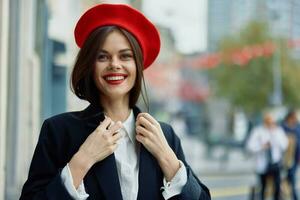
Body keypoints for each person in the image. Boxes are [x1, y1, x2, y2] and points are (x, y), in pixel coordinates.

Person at [19, 3, 210, 200]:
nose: (115, 65)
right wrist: (83, 160)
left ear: (137, 65)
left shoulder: (164, 135)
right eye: (102, 57)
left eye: (125, 56)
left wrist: (167, 159)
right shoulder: (59, 131)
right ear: (90, 66)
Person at [247, 112, 288, 200]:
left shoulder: (278, 131)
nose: (271, 124)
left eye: (272, 122)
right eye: (268, 122)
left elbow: (284, 145)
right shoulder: (258, 131)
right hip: (262, 164)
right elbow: (250, 146)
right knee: (263, 187)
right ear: (264, 121)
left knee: (277, 187)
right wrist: (261, 147)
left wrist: (275, 135)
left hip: (275, 163)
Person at [282, 110, 300, 200]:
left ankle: (293, 196)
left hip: (295, 158)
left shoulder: (297, 128)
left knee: (291, 178)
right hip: (284, 159)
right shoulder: (283, 128)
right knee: (289, 179)